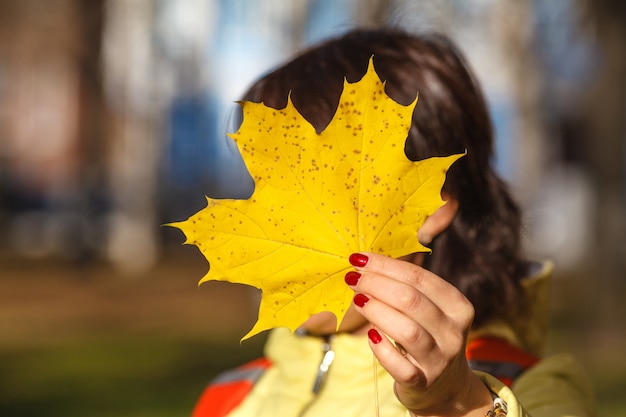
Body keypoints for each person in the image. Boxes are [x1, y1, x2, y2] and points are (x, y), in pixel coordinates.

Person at [190, 28, 596, 417]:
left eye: (325, 192)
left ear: (430, 205)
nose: (286, 224)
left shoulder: (528, 387)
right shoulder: (231, 396)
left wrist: (459, 405)